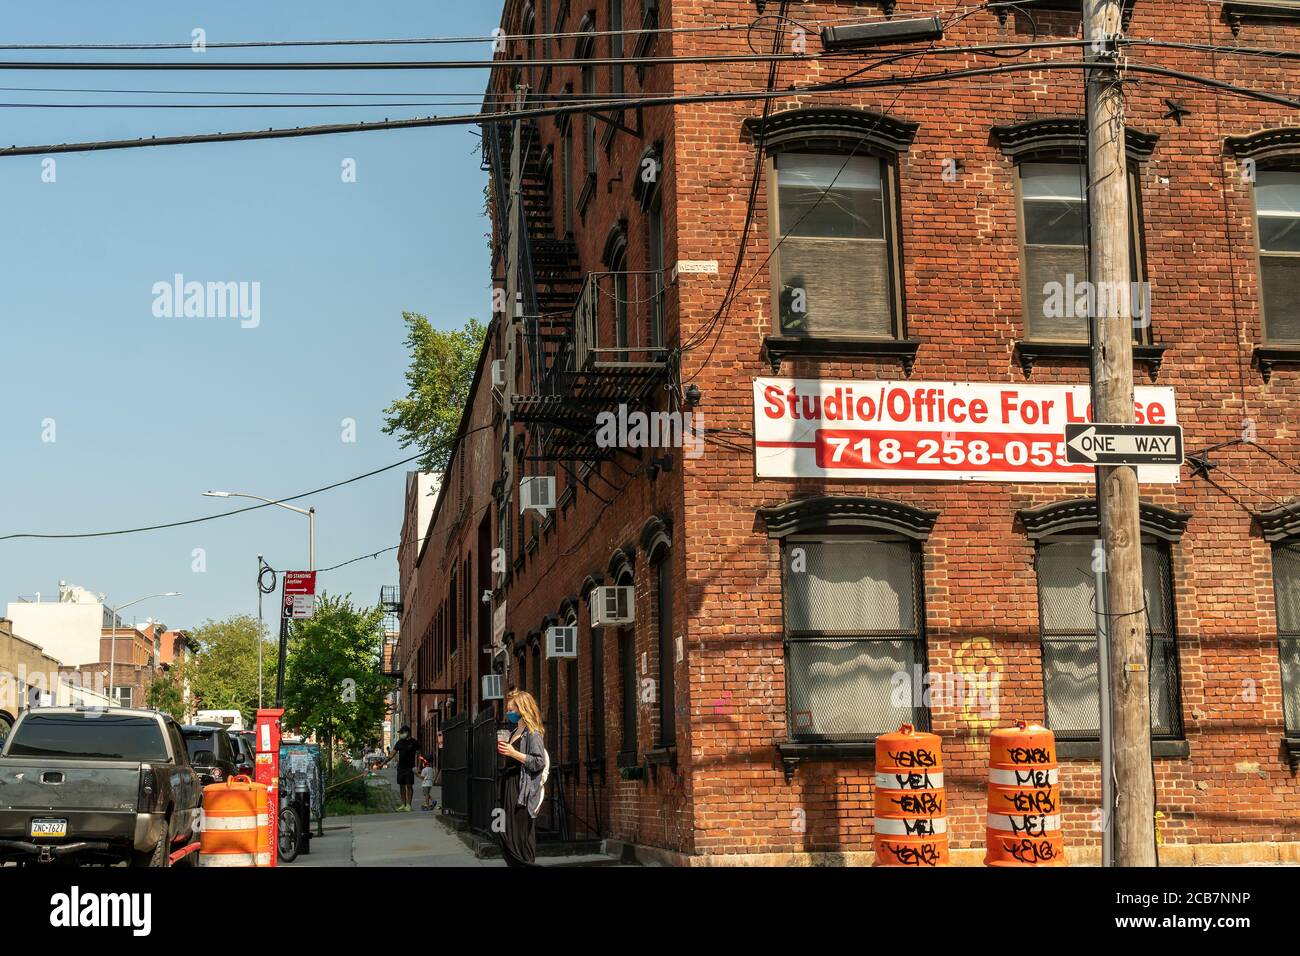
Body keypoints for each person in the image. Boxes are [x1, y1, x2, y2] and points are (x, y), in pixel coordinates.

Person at [495, 689, 550, 866]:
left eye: (512, 710)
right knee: (502, 833)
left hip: (522, 790)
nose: (508, 713)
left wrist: (514, 752)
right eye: (508, 709)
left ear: (522, 709)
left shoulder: (532, 732)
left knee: (519, 837)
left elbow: (538, 762)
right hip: (507, 787)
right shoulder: (513, 732)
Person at [383, 725, 423, 811]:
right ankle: (403, 804)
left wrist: (419, 767)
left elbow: (420, 754)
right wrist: (384, 762)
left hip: (410, 767)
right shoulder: (399, 742)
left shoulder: (414, 742)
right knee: (401, 786)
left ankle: (408, 805)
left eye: (401, 733)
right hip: (401, 767)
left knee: (409, 786)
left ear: (407, 733)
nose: (400, 734)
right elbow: (392, 753)